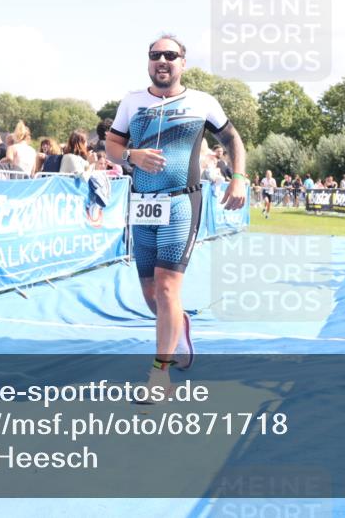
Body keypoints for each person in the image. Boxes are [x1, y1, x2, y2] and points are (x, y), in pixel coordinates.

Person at [106, 34, 247, 395]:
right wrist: (131, 156)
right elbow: (112, 145)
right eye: (155, 55)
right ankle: (178, 326)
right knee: (152, 294)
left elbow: (233, 140)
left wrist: (239, 179)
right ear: (148, 62)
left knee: (168, 287)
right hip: (142, 204)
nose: (162, 60)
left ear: (183, 62)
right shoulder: (131, 102)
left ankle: (160, 376)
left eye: (171, 55)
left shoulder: (202, 102)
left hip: (182, 202)